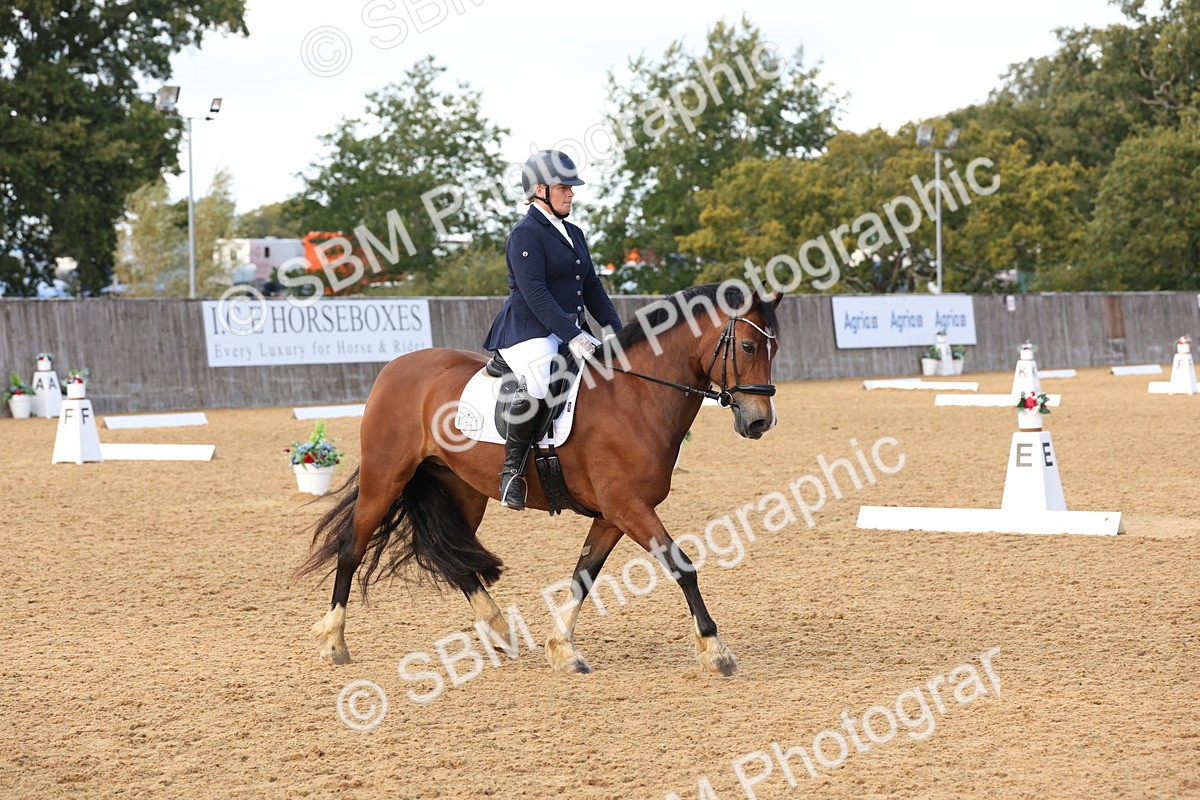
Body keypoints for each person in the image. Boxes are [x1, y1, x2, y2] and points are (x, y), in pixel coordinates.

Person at [482, 150, 623, 510]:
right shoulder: (525, 234)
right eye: (564, 188)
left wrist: (614, 330)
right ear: (539, 190)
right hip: (529, 331)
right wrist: (573, 337)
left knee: (611, 370)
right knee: (541, 377)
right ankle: (511, 472)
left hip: (569, 328)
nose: (571, 193)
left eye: (571, 188)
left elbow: (591, 286)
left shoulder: (574, 233)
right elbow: (535, 294)